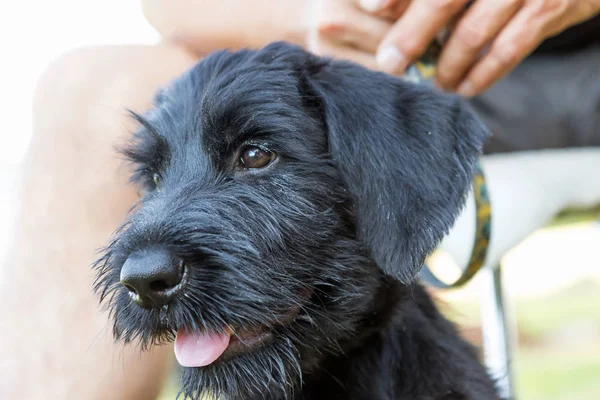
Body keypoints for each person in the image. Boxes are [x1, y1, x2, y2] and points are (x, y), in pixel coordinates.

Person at [1, 1, 598, 398]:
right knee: (83, 78)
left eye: (254, 158)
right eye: (155, 180)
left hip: (568, 60)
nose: (146, 266)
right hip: (353, 63)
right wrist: (310, 11)